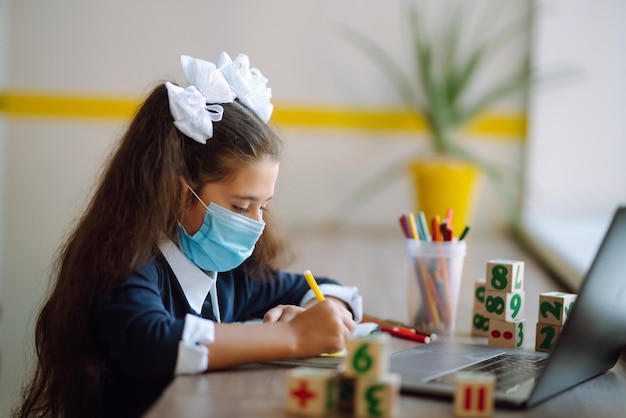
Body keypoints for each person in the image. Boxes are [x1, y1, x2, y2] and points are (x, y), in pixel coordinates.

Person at [14, 52, 362, 418]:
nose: (256, 226)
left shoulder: (226, 279)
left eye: (264, 207)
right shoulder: (128, 269)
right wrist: (292, 337)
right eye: (242, 207)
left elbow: (333, 289)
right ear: (181, 194)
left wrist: (323, 312)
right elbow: (152, 340)